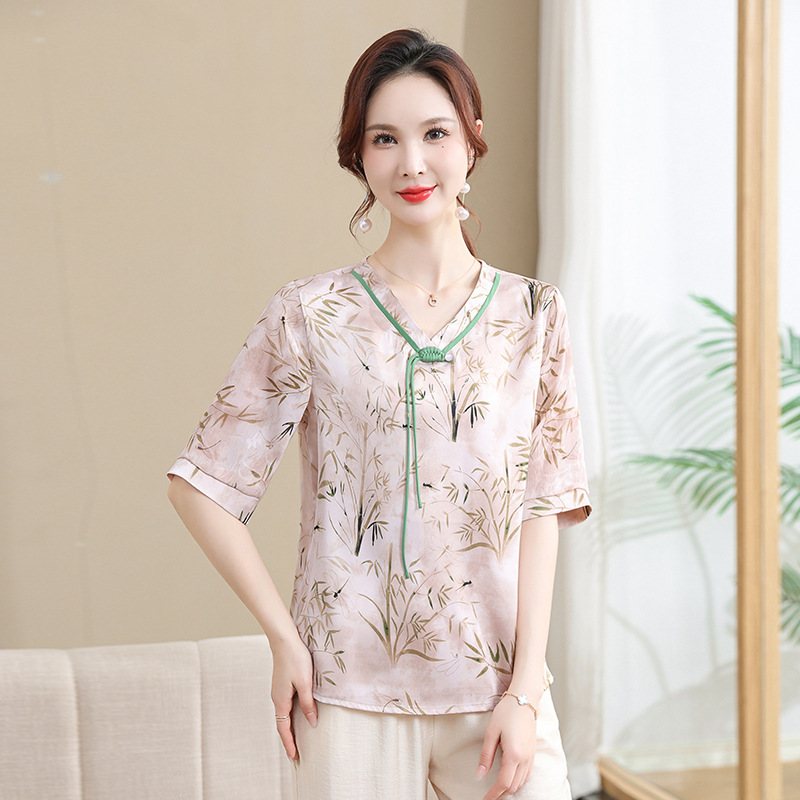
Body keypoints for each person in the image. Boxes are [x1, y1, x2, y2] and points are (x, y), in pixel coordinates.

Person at [167, 28, 590, 800]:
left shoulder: (534, 315)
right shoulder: (310, 313)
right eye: (384, 139)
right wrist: (284, 638)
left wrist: (526, 690)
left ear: (473, 139)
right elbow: (201, 485)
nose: (412, 163)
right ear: (358, 156)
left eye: (435, 134)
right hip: (346, 697)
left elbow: (543, 507)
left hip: (497, 695)